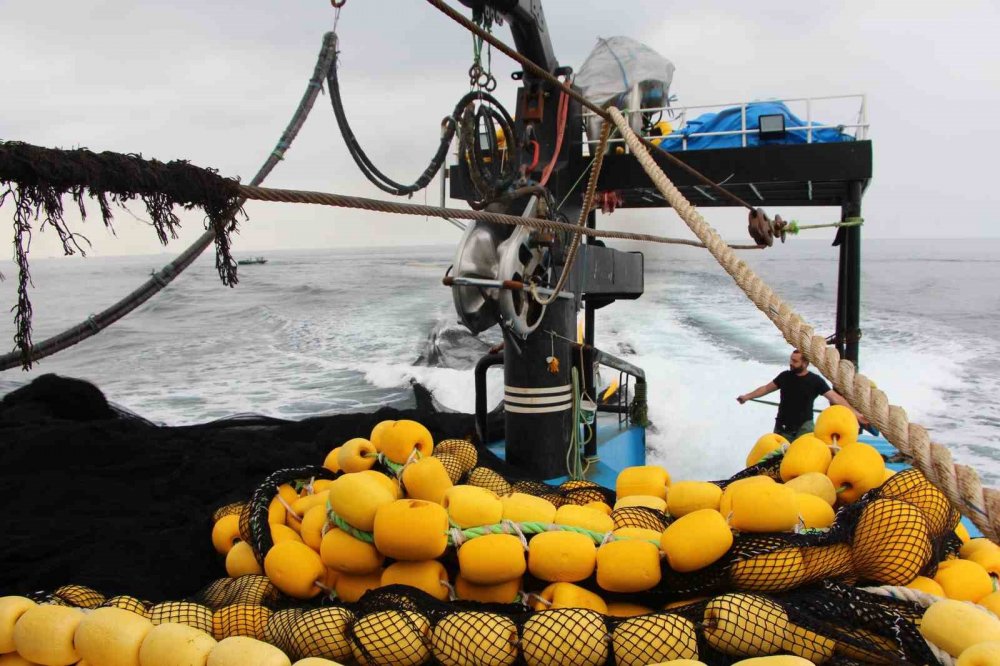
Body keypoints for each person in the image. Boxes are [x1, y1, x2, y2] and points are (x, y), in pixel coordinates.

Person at [737, 349, 867, 440]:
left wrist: (857, 415)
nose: (791, 363)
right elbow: (765, 388)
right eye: (791, 360)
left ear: (805, 363)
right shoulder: (784, 376)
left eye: (795, 361)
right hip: (782, 426)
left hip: (804, 428)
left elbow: (836, 398)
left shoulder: (815, 381)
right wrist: (747, 396)